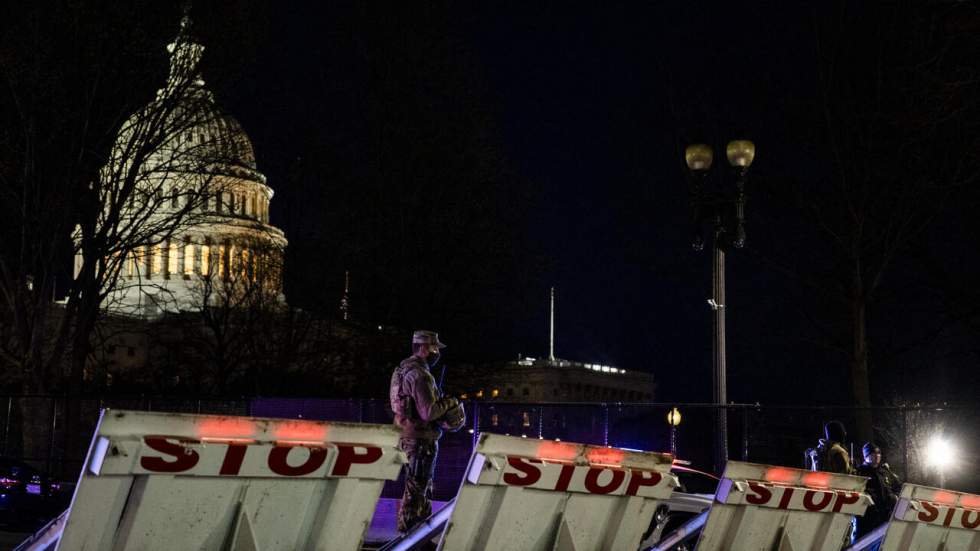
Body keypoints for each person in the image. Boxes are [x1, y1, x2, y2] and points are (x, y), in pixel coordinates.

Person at [389, 330, 465, 533]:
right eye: (433, 348)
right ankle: (410, 538)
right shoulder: (420, 375)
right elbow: (428, 412)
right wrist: (450, 402)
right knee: (418, 490)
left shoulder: (402, 370)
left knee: (416, 487)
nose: (436, 352)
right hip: (420, 439)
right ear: (422, 348)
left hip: (406, 435)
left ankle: (417, 536)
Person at [855, 442, 902, 541]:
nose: (877, 457)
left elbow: (899, 487)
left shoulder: (885, 472)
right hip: (867, 520)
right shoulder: (860, 473)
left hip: (885, 518)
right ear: (866, 456)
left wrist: (894, 497)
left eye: (878, 454)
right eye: (873, 454)